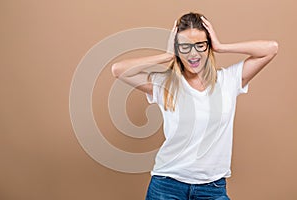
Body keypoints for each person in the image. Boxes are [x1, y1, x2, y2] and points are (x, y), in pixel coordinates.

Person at [111, 12, 278, 200]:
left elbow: (271, 48)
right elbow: (118, 70)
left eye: (200, 45)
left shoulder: (228, 80)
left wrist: (221, 47)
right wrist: (166, 55)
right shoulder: (165, 83)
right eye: (185, 46)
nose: (193, 54)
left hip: (212, 188)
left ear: (209, 46)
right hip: (167, 185)